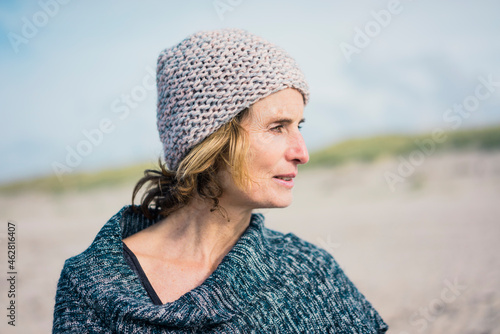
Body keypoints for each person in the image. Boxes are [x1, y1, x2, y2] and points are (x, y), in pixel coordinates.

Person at [52, 28, 388, 333]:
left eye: (299, 126)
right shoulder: (90, 284)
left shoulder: (308, 273)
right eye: (277, 127)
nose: (302, 153)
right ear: (211, 140)